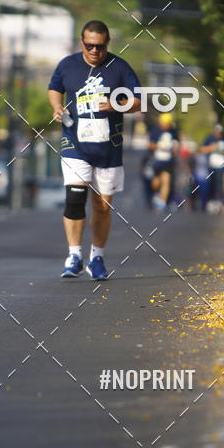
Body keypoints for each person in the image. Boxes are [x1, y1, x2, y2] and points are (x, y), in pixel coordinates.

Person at [47, 19, 141, 280]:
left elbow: (137, 101)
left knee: (101, 206)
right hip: (75, 143)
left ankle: (96, 257)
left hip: (108, 148)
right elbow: (55, 89)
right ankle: (74, 255)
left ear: (107, 44)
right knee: (75, 198)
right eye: (89, 46)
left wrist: (115, 105)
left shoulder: (119, 67)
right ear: (82, 43)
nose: (94, 51)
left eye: (99, 46)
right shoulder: (68, 65)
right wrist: (56, 107)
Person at [148, 112, 179, 210]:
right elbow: (150, 145)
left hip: (168, 161)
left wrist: (174, 150)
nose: (166, 125)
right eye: (165, 123)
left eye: (168, 123)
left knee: (166, 181)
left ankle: (162, 202)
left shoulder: (174, 131)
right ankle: (156, 195)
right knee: (156, 183)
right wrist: (161, 146)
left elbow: (177, 145)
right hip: (157, 160)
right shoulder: (155, 130)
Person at [200, 123, 224, 210]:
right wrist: (211, 148)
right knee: (211, 183)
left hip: (221, 165)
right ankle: (210, 200)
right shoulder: (210, 138)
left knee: (220, 183)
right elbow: (202, 150)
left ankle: (219, 201)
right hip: (211, 165)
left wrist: (223, 150)